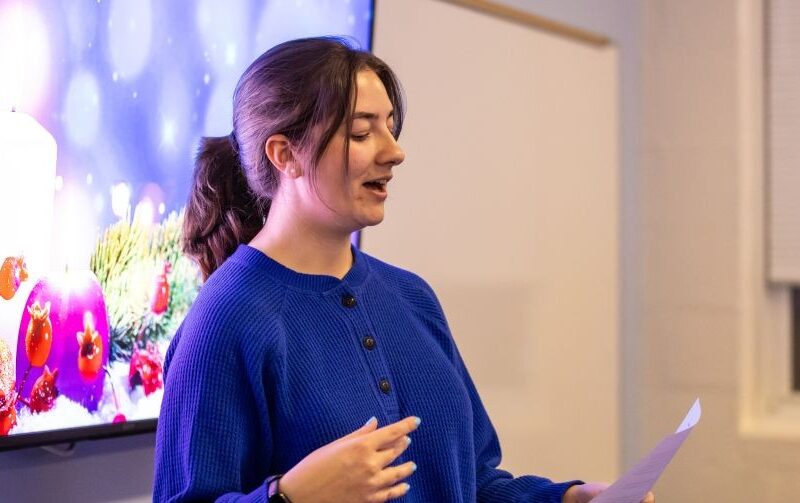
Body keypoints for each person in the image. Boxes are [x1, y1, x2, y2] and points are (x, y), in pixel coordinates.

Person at [153, 36, 655, 503]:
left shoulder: (411, 296)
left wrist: (568, 498)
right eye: (361, 132)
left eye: (389, 127)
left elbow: (476, 481)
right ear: (286, 155)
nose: (394, 152)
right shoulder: (225, 322)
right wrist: (288, 496)